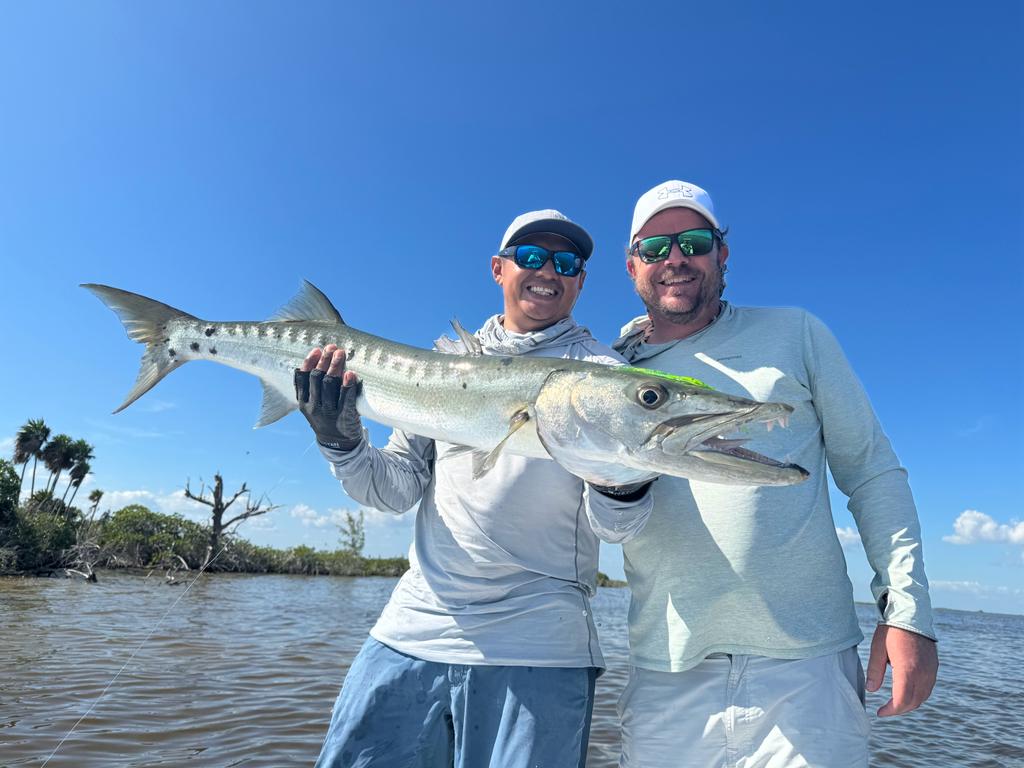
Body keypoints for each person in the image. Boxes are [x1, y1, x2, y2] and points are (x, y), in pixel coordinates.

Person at [294, 209, 653, 768]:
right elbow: (394, 489)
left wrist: (626, 480)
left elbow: (613, 526)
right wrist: (340, 440)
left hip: (540, 644)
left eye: (566, 262)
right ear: (498, 268)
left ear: (581, 280)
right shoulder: (442, 361)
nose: (548, 271)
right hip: (412, 628)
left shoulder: (605, 376)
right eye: (531, 257)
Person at [611, 180, 939, 768]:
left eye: (694, 241)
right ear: (633, 265)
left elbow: (870, 469)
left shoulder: (797, 333)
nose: (676, 259)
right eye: (656, 247)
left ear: (722, 252)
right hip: (667, 668)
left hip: (807, 669)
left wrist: (908, 612)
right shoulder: (612, 369)